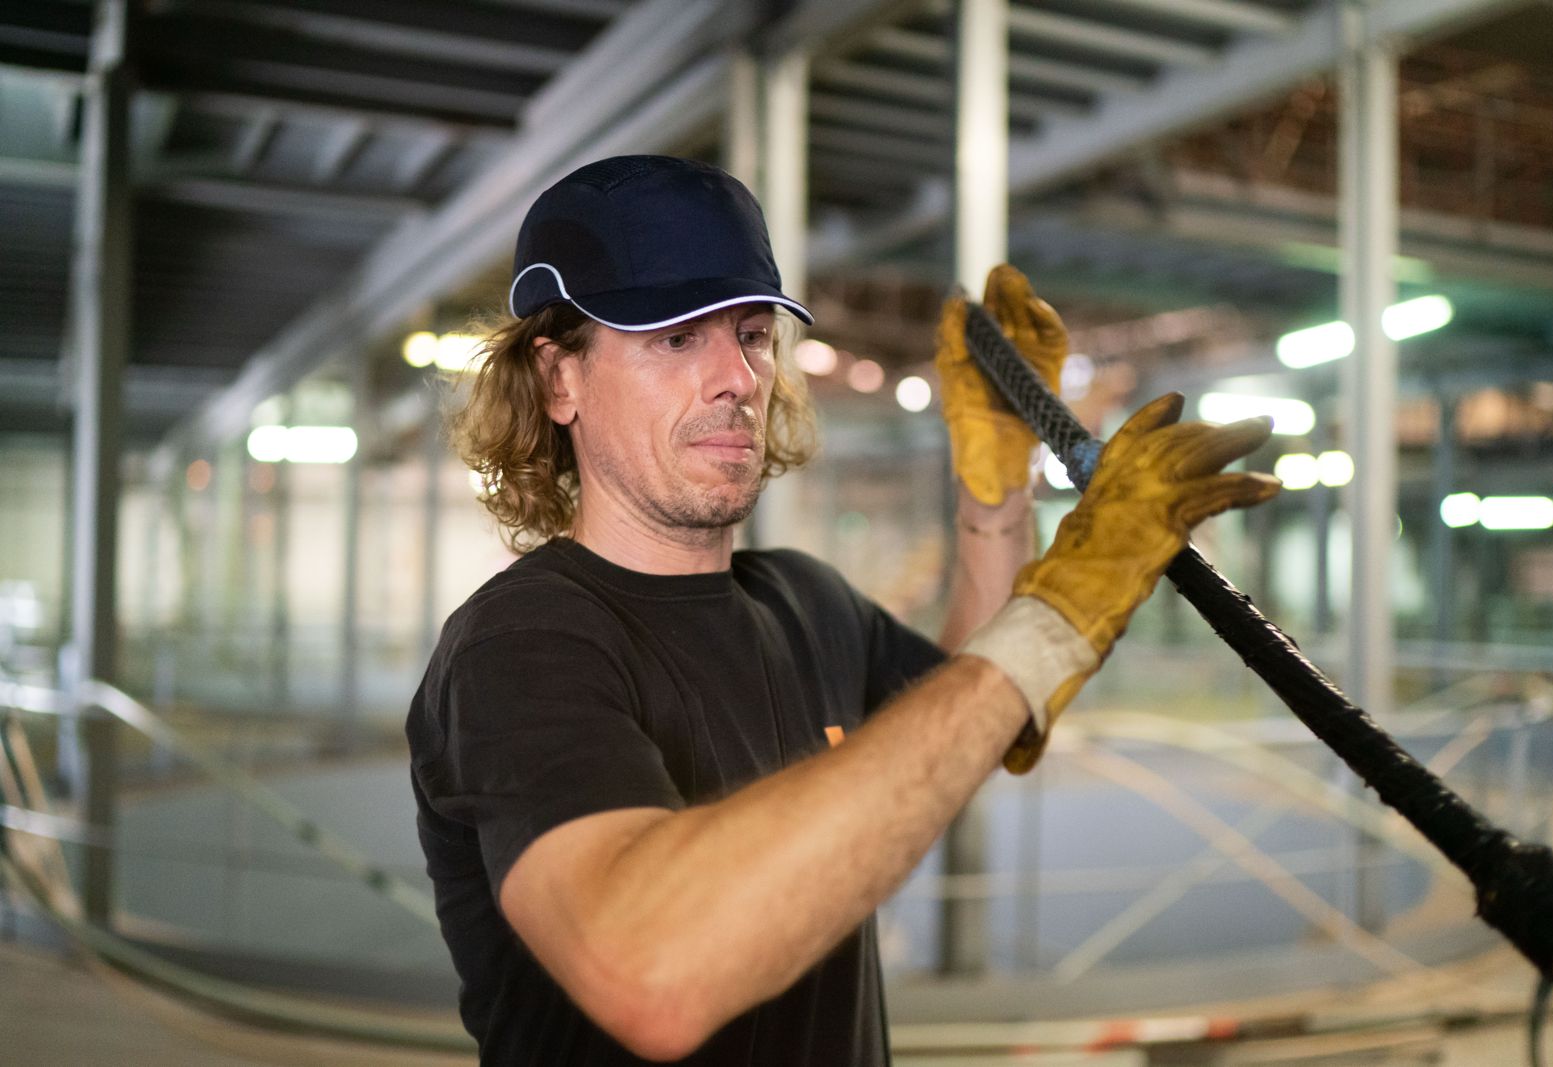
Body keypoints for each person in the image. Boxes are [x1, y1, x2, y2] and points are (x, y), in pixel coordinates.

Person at [406, 154, 1279, 1065]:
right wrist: (1056, 615)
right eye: (674, 338)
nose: (737, 378)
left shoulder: (802, 599)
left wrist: (996, 499)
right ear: (557, 381)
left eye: (750, 334)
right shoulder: (519, 646)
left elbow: (951, 733)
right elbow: (651, 975)